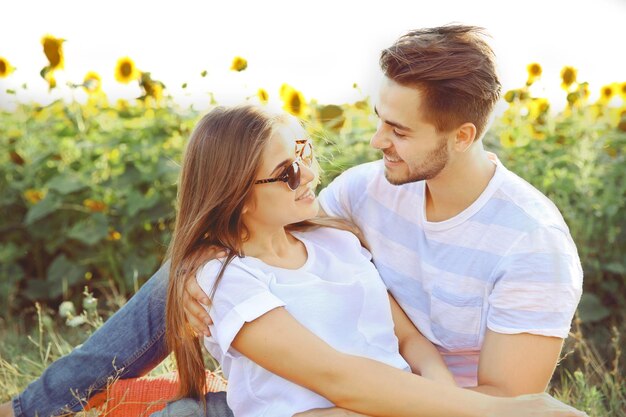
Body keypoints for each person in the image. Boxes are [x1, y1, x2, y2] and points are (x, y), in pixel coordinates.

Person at [0, 25, 583, 417]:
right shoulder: (368, 187)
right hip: (319, 381)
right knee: (192, 276)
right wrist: (192, 269)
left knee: (176, 407)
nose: (376, 141)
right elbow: (266, 238)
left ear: (463, 136)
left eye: (399, 131)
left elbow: (511, 404)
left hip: (428, 402)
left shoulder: (532, 244)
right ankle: (38, 406)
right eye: (380, 118)